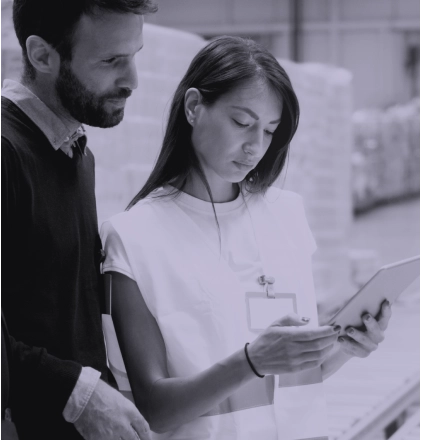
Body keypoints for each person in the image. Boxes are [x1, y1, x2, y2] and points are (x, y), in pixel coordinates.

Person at [100, 36, 392, 439]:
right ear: (193, 107)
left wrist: (344, 343)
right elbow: (154, 411)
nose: (255, 146)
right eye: (242, 122)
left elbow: (297, 382)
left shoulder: (286, 216)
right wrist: (252, 360)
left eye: (270, 130)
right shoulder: (133, 239)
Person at [0, 0, 157, 439]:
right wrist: (78, 392)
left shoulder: (75, 153)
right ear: (42, 55)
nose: (132, 81)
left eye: (134, 57)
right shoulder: (5, 151)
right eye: (111, 61)